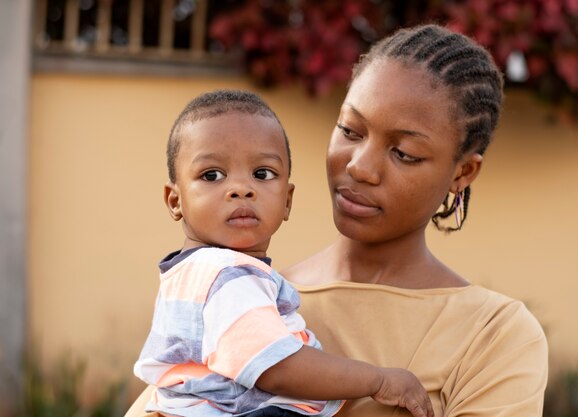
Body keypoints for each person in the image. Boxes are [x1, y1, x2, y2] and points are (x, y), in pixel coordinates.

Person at [127, 23, 548, 417]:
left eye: (404, 153)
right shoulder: (242, 296)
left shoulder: (493, 336)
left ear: (462, 173)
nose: (360, 167)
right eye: (350, 131)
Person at [132, 89, 433, 417]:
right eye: (212, 175)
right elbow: (277, 367)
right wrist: (377, 380)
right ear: (175, 200)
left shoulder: (193, 273)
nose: (241, 189)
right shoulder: (225, 274)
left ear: (287, 200)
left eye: (262, 174)